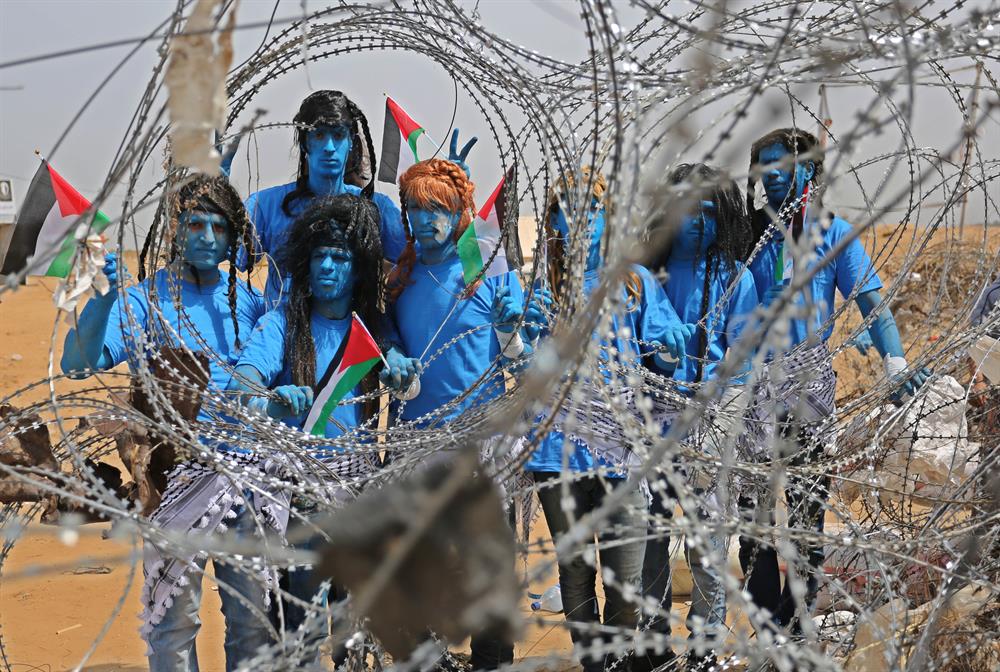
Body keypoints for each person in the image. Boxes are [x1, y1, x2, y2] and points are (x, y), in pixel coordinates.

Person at [60, 174, 271, 672]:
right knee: (174, 622)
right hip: (172, 483)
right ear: (175, 228)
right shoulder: (144, 300)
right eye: (195, 223)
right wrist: (105, 299)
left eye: (219, 227)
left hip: (245, 478)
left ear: (232, 237)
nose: (206, 236)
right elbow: (77, 363)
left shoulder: (252, 305)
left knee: (251, 620)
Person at [739, 127, 929, 636]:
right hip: (748, 390)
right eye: (764, 166)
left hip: (808, 389)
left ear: (810, 170)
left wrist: (895, 364)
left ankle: (795, 633)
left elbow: (873, 304)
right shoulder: (747, 234)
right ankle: (768, 630)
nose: (772, 175)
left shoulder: (833, 233)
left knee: (805, 522)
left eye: (784, 164)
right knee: (751, 524)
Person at [520, 169, 688, 672]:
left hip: (620, 453)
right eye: (564, 209)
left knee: (627, 580)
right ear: (552, 221)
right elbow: (513, 355)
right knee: (574, 572)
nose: (578, 220)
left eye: (589, 209)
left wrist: (670, 349)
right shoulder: (538, 290)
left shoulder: (632, 286)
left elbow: (663, 351)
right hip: (557, 455)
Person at [377, 158, 526, 669]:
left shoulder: (488, 270)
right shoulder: (400, 278)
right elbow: (388, 336)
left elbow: (518, 358)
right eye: (415, 209)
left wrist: (511, 327)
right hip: (416, 446)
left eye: (438, 209)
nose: (425, 220)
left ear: (461, 211)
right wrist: (392, 353)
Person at [228, 194, 386, 666]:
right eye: (320, 257)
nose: (329, 268)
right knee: (302, 615)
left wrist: (402, 372)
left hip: (358, 489)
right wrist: (271, 402)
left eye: (340, 258)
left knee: (355, 618)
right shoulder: (281, 325)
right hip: (299, 493)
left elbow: (403, 370)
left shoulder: (372, 328)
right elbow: (243, 383)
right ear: (305, 263)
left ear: (356, 269)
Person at [638, 163, 758, 672]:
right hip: (651, 422)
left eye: (709, 209)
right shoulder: (644, 274)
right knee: (648, 538)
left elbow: (743, 361)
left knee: (707, 544)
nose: (697, 219)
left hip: (709, 422)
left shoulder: (735, 277)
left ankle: (706, 643)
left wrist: (716, 429)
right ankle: (653, 638)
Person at [234, 90, 476, 307]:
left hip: (354, 345)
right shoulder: (266, 205)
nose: (329, 147)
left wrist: (451, 194)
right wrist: (218, 198)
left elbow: (427, 253)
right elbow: (224, 257)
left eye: (338, 136)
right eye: (319, 135)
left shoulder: (375, 208)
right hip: (283, 341)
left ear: (351, 143)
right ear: (305, 142)